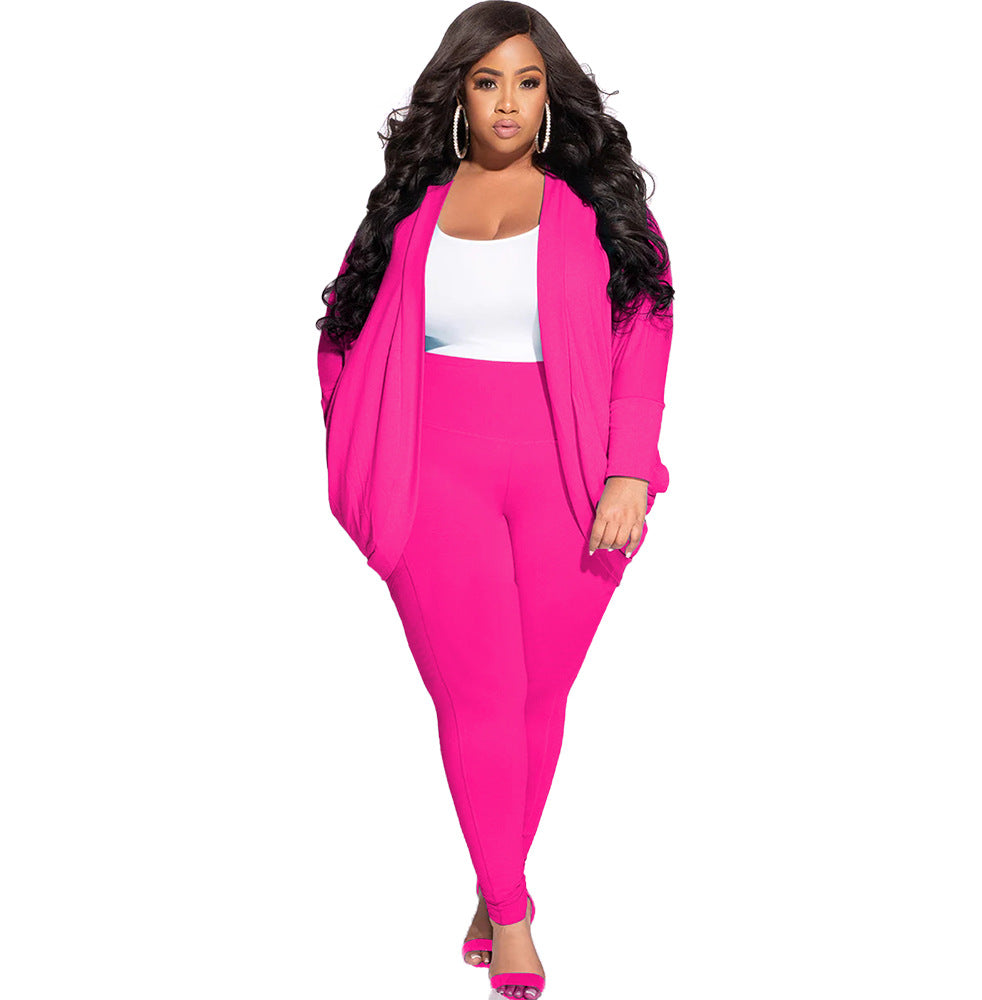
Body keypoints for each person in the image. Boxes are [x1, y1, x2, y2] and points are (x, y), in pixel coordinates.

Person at [316, 5, 675, 996]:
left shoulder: (595, 205)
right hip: (433, 474)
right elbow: (341, 327)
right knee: (476, 696)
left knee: (537, 696)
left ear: (551, 92)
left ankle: (489, 874)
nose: (507, 103)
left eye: (526, 81)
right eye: (486, 82)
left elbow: (645, 330)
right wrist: (356, 454)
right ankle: (511, 913)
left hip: (571, 473)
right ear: (459, 94)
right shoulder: (411, 204)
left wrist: (628, 469)